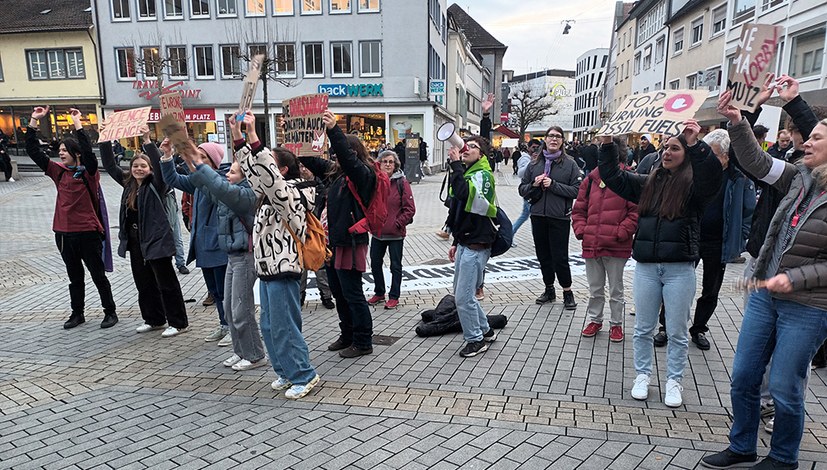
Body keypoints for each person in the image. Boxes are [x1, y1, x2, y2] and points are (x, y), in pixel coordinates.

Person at [699, 89, 827, 470]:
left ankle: (784, 457)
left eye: (817, 137)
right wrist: (738, 123)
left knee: (786, 387)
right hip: (764, 296)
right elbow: (756, 163)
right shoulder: (800, 178)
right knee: (743, 376)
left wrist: (796, 279)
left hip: (808, 306)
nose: (807, 139)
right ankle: (742, 445)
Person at [599, 119, 723, 408]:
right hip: (646, 268)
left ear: (686, 154)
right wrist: (607, 143)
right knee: (643, 328)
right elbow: (612, 176)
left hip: (680, 270)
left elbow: (712, 176)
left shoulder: (695, 188)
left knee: (678, 331)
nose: (667, 152)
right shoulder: (648, 183)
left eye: (675, 148)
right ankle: (642, 376)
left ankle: (673, 381)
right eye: (665, 147)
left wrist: (695, 143)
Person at [227, 111, 320, 399]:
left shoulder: (292, 194)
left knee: (284, 326)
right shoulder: (268, 192)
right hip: (267, 270)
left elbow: (265, 174)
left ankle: (304, 374)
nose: (259, 168)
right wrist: (237, 136)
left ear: (282, 170)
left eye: (270, 164)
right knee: (268, 325)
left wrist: (253, 134)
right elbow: (255, 172)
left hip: (284, 269)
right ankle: (284, 371)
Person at [167, 139, 267, 369]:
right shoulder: (229, 192)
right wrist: (182, 158)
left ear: (244, 176)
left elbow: (218, 186)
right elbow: (204, 185)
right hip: (232, 256)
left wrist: (195, 160)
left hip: (245, 256)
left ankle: (255, 355)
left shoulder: (246, 195)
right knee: (231, 311)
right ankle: (241, 351)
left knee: (242, 309)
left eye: (232, 171)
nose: (227, 174)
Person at [26, 106, 117, 329]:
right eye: (60, 150)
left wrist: (78, 124)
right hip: (64, 233)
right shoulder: (58, 172)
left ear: (75, 153)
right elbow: (33, 152)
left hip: (88, 232)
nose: (61, 153)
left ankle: (110, 312)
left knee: (97, 275)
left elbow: (87, 152)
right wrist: (34, 122)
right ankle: (77, 314)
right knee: (74, 277)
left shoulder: (89, 172)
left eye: (65, 150)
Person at [301, 110, 379, 359]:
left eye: (338, 154)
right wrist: (301, 136)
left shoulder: (363, 175)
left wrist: (334, 130)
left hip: (351, 243)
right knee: (338, 292)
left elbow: (346, 158)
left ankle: (363, 341)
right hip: (332, 243)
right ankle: (347, 334)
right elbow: (312, 161)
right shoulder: (337, 175)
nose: (333, 158)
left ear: (351, 153)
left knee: (353, 293)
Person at [100, 135, 189, 337]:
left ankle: (178, 322)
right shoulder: (129, 184)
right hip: (136, 241)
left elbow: (159, 166)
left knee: (167, 283)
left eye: (143, 166)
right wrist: (104, 139)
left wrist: (148, 142)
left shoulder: (157, 183)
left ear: (149, 169)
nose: (139, 169)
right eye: (135, 166)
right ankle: (154, 319)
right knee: (144, 283)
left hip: (157, 240)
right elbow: (109, 165)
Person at [690, 130, 756, 351]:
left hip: (719, 242)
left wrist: (741, 236)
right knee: (679, 284)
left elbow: (749, 212)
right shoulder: (697, 172)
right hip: (691, 237)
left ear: (726, 156)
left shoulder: (739, 179)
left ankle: (699, 328)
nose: (709, 158)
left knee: (711, 289)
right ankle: (667, 325)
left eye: (714, 154)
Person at [162, 141, 231, 345]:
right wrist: (167, 156)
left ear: (213, 162)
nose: (196, 159)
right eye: (196, 155)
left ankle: (233, 327)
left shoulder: (219, 180)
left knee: (225, 291)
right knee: (215, 291)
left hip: (218, 245)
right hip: (203, 245)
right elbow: (173, 178)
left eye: (202, 156)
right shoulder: (199, 181)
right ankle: (224, 324)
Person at [572, 137, 638, 342]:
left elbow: (635, 213)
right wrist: (582, 230)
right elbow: (579, 210)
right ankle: (595, 320)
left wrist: (621, 232)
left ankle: (616, 324)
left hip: (617, 245)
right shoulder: (590, 180)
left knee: (616, 290)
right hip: (592, 243)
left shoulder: (628, 178)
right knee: (595, 289)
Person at [445, 130, 499, 358]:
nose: (467, 148)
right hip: (466, 243)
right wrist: (456, 241)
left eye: (473, 146)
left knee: (463, 297)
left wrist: (456, 165)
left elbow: (466, 196)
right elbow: (458, 210)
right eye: (465, 144)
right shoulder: (467, 173)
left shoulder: (484, 176)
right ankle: (485, 330)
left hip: (477, 245)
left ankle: (475, 340)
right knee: (462, 294)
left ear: (482, 155)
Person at [518, 126, 583, 310]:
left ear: (562, 141)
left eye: (557, 137)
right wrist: (534, 184)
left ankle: (567, 292)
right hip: (538, 215)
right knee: (543, 255)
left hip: (559, 217)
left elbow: (577, 191)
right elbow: (522, 190)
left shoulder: (570, 164)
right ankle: (549, 289)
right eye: (550, 136)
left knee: (560, 256)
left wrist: (553, 185)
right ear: (545, 139)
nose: (553, 139)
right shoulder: (534, 164)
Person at [366, 150, 416, 310]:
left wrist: (397, 224)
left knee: (396, 266)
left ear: (395, 165)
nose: (387, 164)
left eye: (390, 162)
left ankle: (394, 296)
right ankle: (379, 292)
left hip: (395, 234)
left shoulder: (402, 182)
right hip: (377, 233)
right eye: (384, 161)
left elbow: (410, 209)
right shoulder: (374, 181)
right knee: (374, 264)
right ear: (379, 164)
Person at [297, 163, 336, 310]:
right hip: (300, 232)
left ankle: (326, 296)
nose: (304, 169)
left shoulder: (321, 187)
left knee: (321, 267)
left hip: (317, 232)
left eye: (306, 166)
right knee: (301, 268)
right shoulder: (295, 186)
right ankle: (300, 296)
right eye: (301, 166)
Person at [511, 140, 541, 242]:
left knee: (528, 215)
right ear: (528, 147)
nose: (535, 150)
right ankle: (536, 239)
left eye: (537, 147)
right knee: (530, 216)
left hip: (535, 191)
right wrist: (532, 162)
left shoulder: (539, 158)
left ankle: (510, 234)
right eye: (533, 147)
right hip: (529, 191)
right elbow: (520, 173)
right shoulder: (525, 158)